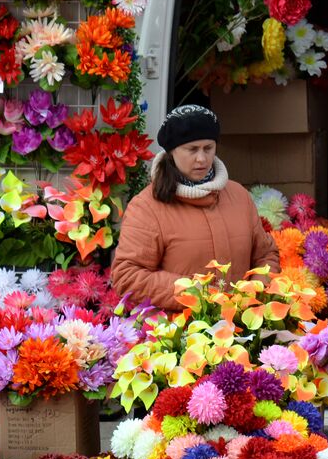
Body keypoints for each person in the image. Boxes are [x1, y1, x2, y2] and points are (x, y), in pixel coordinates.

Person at [110, 104, 279, 310]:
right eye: (192, 149)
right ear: (171, 152)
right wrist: (192, 292)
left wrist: (256, 288)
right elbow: (127, 276)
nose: (202, 158)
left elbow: (265, 255)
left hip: (240, 327)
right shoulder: (147, 206)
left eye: (208, 148)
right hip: (176, 335)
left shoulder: (239, 196)